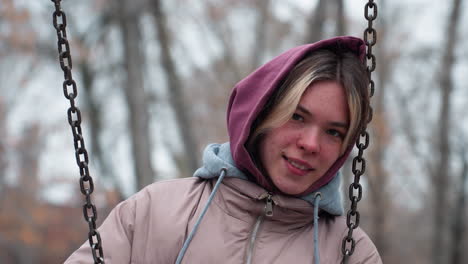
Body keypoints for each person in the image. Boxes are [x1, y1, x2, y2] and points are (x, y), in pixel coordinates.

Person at [65, 36, 382, 263]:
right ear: (262, 114)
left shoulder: (350, 252)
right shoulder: (152, 214)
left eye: (333, 132)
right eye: (297, 116)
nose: (310, 144)